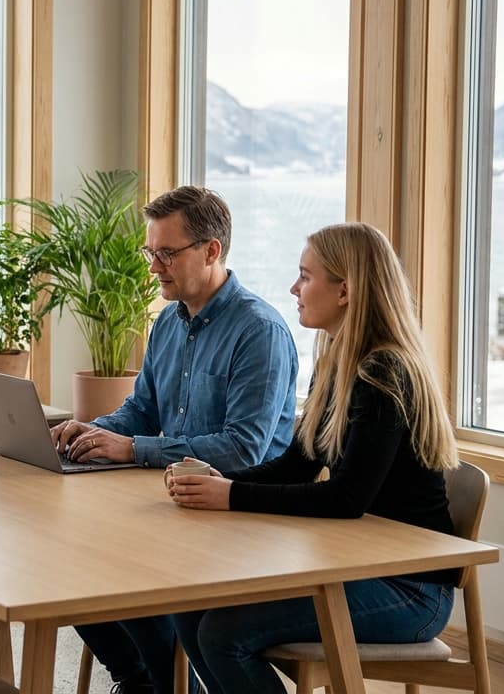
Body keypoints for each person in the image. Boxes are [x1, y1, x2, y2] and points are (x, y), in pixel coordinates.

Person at [167, 222, 461, 694]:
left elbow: (347, 498)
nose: (294, 289)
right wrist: (218, 480)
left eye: (305, 276)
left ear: (345, 290)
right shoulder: (336, 362)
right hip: (353, 566)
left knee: (223, 634)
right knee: (190, 606)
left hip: (408, 589)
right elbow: (297, 464)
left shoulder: (383, 372)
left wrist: (232, 496)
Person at [51, 185, 299, 694]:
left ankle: (161, 682)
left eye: (167, 253)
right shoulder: (168, 322)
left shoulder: (259, 332)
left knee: (122, 575)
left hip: (245, 514)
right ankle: (141, 681)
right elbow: (141, 410)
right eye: (151, 252)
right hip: (179, 499)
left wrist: (134, 449)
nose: (154, 266)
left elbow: (244, 449)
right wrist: (96, 429)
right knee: (69, 566)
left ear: (211, 250)